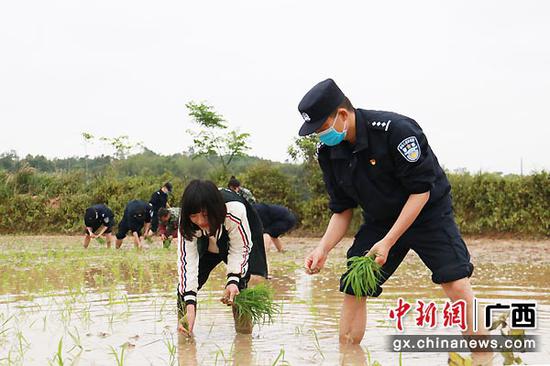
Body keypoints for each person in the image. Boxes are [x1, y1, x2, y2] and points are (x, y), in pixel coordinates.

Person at [298, 79, 491, 364]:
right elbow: (342, 210)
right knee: (355, 283)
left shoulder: (396, 131)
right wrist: (323, 248)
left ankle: (484, 356)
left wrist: (388, 242)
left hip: (428, 213)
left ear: (341, 114)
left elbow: (420, 191)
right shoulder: (330, 153)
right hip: (380, 220)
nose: (320, 135)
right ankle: (348, 357)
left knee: (455, 282)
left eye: (321, 127)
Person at [176, 180, 268, 335]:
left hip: (238, 238)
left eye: (205, 215)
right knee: (183, 290)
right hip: (208, 244)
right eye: (194, 216)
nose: (200, 222)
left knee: (240, 287)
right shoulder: (186, 221)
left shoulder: (234, 210)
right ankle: (185, 331)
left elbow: (240, 248)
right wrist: (190, 306)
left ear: (215, 210)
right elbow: (187, 262)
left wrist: (233, 280)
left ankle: (244, 335)